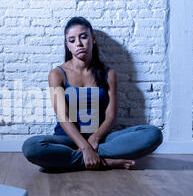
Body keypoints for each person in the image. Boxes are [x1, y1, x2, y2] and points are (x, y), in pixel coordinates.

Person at [22, 16, 163, 171]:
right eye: (72, 40)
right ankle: (105, 162)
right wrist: (84, 147)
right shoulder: (57, 74)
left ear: (93, 39)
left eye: (83, 37)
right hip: (67, 139)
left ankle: (80, 159)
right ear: (67, 45)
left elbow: (110, 117)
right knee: (32, 147)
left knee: (153, 134)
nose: (79, 43)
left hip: (101, 140)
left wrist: (94, 140)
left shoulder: (108, 74)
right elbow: (63, 118)